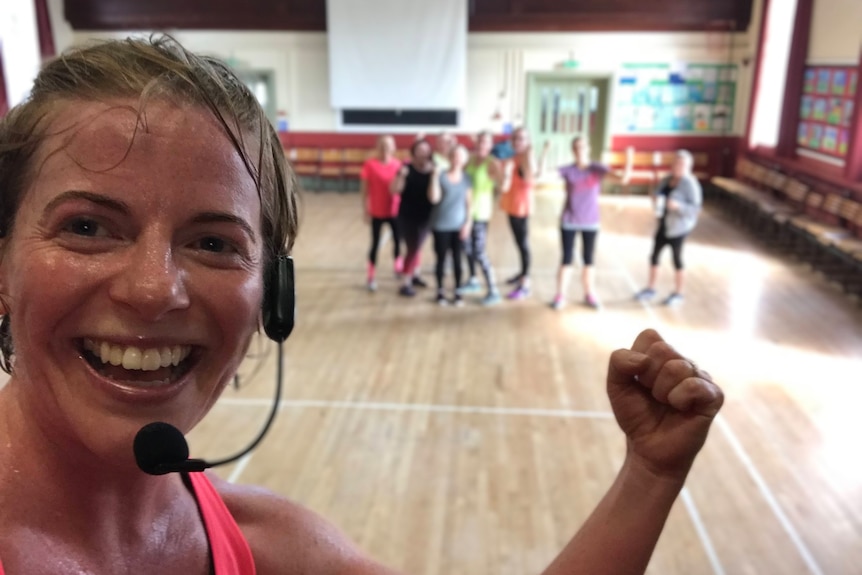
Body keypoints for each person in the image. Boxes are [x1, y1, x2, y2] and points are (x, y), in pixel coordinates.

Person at [0, 36, 725, 575]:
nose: (156, 287)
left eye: (214, 242)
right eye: (87, 227)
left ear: (271, 297)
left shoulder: (263, 538)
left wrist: (649, 476)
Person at [552, 137, 631, 311]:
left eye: (582, 146)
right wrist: (543, 154)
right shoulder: (568, 170)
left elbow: (623, 179)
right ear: (573, 150)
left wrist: (629, 159)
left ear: (588, 148)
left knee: (588, 259)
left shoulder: (597, 169)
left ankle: (589, 293)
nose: (580, 150)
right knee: (566, 259)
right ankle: (560, 295)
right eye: (576, 147)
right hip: (569, 220)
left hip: (590, 221)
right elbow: (541, 175)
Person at [635, 150, 703, 306]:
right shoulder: (666, 179)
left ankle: (678, 293)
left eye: (681, 164)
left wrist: (678, 206)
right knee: (654, 256)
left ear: (688, 166)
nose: (677, 166)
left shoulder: (690, 184)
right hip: (664, 224)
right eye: (675, 163)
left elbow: (695, 210)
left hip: (679, 228)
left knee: (677, 259)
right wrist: (654, 198)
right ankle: (650, 289)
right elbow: (657, 193)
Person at [499, 127, 548, 300]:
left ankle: (525, 283)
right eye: (515, 138)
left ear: (527, 141)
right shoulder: (513, 158)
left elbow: (532, 175)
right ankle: (521, 273)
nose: (518, 142)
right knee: (519, 243)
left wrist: (536, 154)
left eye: (522, 139)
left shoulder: (526, 160)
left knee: (523, 244)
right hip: (511, 206)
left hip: (521, 207)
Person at [428, 145, 473, 306]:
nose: (457, 159)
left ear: (464, 160)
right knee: (441, 259)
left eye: (460, 156)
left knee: (457, 261)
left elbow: (469, 203)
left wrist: (468, 223)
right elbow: (433, 198)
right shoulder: (441, 176)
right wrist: (434, 176)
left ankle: (457, 291)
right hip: (441, 225)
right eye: (454, 156)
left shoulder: (467, 178)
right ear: (449, 158)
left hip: (459, 226)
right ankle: (440, 291)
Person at [461, 131, 502, 306]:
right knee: (467, 248)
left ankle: (493, 289)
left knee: (479, 251)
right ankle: (473, 279)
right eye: (479, 141)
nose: (481, 144)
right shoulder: (469, 160)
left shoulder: (492, 163)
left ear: (490, 145)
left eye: (485, 142)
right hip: (465, 212)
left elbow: (501, 185)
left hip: (480, 213)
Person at [391, 139, 435, 297]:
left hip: (426, 216)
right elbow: (394, 190)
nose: (423, 153)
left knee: (418, 247)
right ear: (413, 153)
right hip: (407, 215)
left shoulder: (434, 170)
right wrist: (401, 176)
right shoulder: (406, 169)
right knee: (413, 248)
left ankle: (415, 275)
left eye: (426, 150)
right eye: (419, 150)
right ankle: (405, 282)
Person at [361, 135, 403, 292]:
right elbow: (364, 190)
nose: (385, 148)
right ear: (378, 147)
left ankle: (398, 267)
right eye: (382, 145)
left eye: (389, 145)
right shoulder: (370, 165)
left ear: (393, 148)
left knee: (398, 241)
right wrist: (365, 209)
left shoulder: (398, 165)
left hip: (395, 211)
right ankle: (371, 275)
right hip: (377, 211)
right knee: (375, 243)